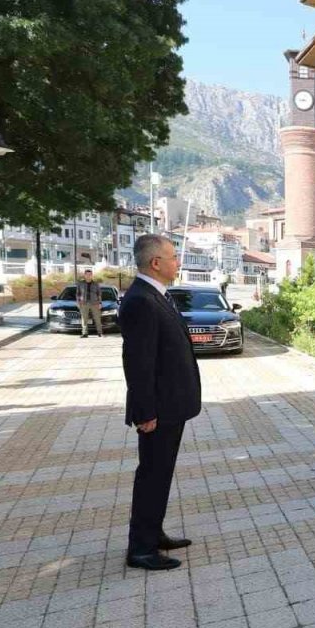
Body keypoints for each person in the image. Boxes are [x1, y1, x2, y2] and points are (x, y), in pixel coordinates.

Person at [119, 234, 201, 571]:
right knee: (152, 475)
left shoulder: (156, 295)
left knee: (160, 474)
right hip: (158, 411)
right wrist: (146, 412)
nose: (177, 262)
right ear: (156, 263)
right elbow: (138, 364)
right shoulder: (141, 300)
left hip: (171, 406)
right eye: (173, 256)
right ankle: (140, 549)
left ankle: (153, 534)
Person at [77, 268, 104, 338]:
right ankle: (84, 333)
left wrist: (100, 303)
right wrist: (78, 302)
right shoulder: (80, 283)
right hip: (84, 303)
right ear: (84, 275)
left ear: (92, 275)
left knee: (97, 318)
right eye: (87, 274)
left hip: (95, 303)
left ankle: (100, 333)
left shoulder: (96, 284)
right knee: (84, 319)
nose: (88, 276)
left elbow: (99, 294)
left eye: (90, 274)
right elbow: (78, 294)